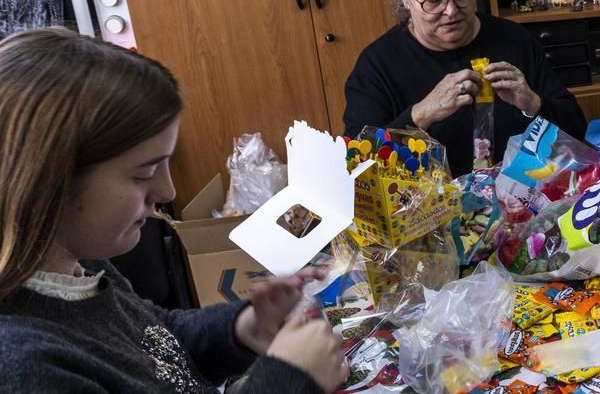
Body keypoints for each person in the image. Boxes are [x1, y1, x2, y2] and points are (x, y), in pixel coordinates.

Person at [0, 28, 347, 393]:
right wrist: (287, 379)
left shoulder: (78, 264)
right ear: (47, 183)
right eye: (144, 173)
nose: (167, 191)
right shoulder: (24, 368)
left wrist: (243, 329)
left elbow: (157, 342)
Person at [343, 0, 586, 176]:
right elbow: (358, 166)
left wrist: (532, 103)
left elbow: (577, 130)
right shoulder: (376, 65)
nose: (451, 10)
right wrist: (421, 114)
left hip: (518, 198)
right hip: (425, 209)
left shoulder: (514, 39)